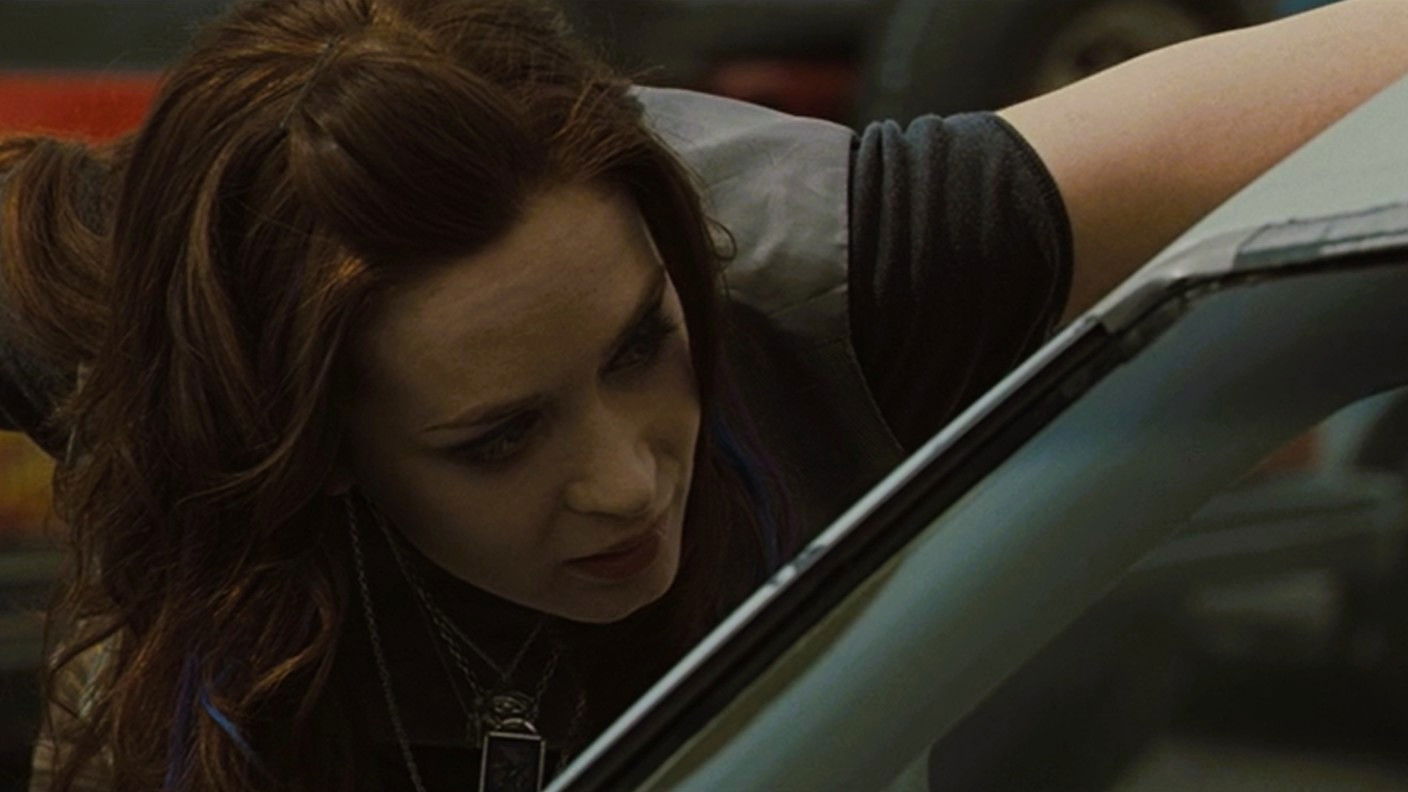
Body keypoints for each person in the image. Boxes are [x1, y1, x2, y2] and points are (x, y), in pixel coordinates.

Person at [2, 0, 1404, 789]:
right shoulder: (131, 338)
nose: (626, 482)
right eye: (499, 437)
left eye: (640, 348)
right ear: (309, 443)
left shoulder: (838, 270)